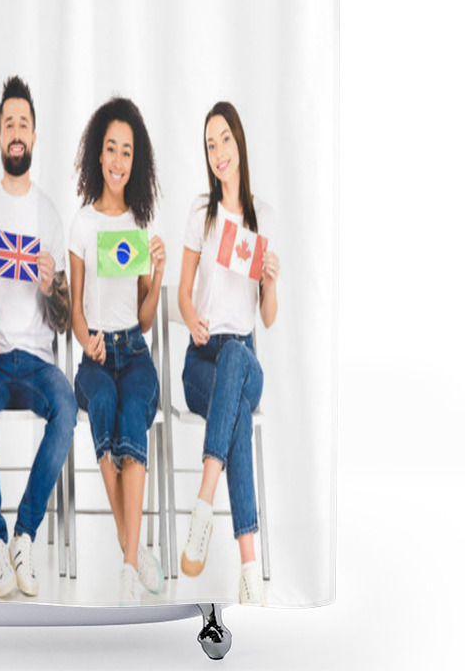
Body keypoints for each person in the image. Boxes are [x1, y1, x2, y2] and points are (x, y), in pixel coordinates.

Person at [0, 76, 77, 599]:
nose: (15, 132)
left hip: (37, 360)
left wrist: (53, 287)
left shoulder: (50, 216)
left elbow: (63, 317)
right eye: (7, 123)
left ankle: (25, 535)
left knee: (68, 406)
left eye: (23, 124)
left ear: (34, 136)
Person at [178, 101, 280, 605]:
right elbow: (181, 292)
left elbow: (268, 316)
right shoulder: (202, 213)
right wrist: (192, 317)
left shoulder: (260, 218)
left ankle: (203, 502)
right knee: (235, 407)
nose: (218, 151)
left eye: (224, 139)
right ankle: (249, 568)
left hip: (241, 356)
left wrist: (271, 281)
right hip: (202, 359)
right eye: (210, 143)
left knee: (240, 359)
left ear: (239, 142)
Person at [69, 97, 166, 605]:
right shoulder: (83, 224)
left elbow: (146, 316)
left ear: (137, 160)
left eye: (127, 151)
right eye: (111, 149)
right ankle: (133, 546)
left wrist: (158, 279)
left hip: (135, 350)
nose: (118, 160)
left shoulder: (138, 223)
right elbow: (76, 309)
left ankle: (128, 562)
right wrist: (87, 338)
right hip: (95, 357)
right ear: (97, 155)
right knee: (103, 403)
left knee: (132, 409)